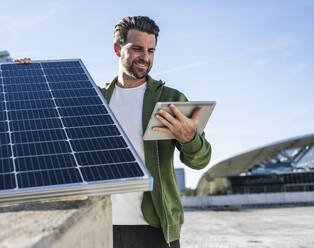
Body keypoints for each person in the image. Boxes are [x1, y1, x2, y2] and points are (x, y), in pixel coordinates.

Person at [15, 16, 211, 248]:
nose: (145, 57)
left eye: (151, 50)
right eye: (137, 49)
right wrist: (23, 76)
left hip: (155, 229)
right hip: (98, 223)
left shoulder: (170, 99)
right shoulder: (93, 99)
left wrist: (190, 139)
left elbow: (200, 161)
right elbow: (42, 123)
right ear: (118, 48)